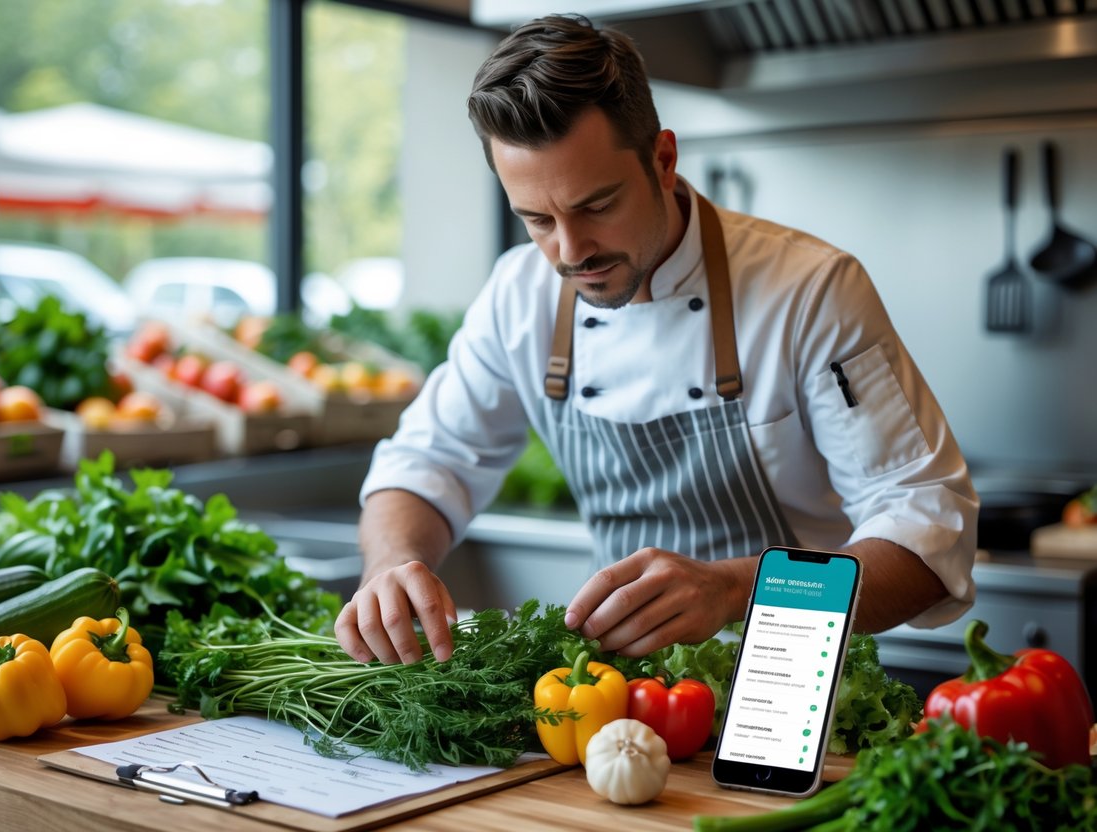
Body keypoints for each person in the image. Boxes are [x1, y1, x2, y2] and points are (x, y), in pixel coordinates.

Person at [335, 13, 978, 666]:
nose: (569, 250)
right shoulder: (518, 294)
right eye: (535, 219)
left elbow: (925, 539)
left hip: (794, 702)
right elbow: (426, 463)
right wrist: (392, 563)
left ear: (662, 160)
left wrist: (734, 590)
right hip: (611, 707)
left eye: (596, 206)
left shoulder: (809, 290)